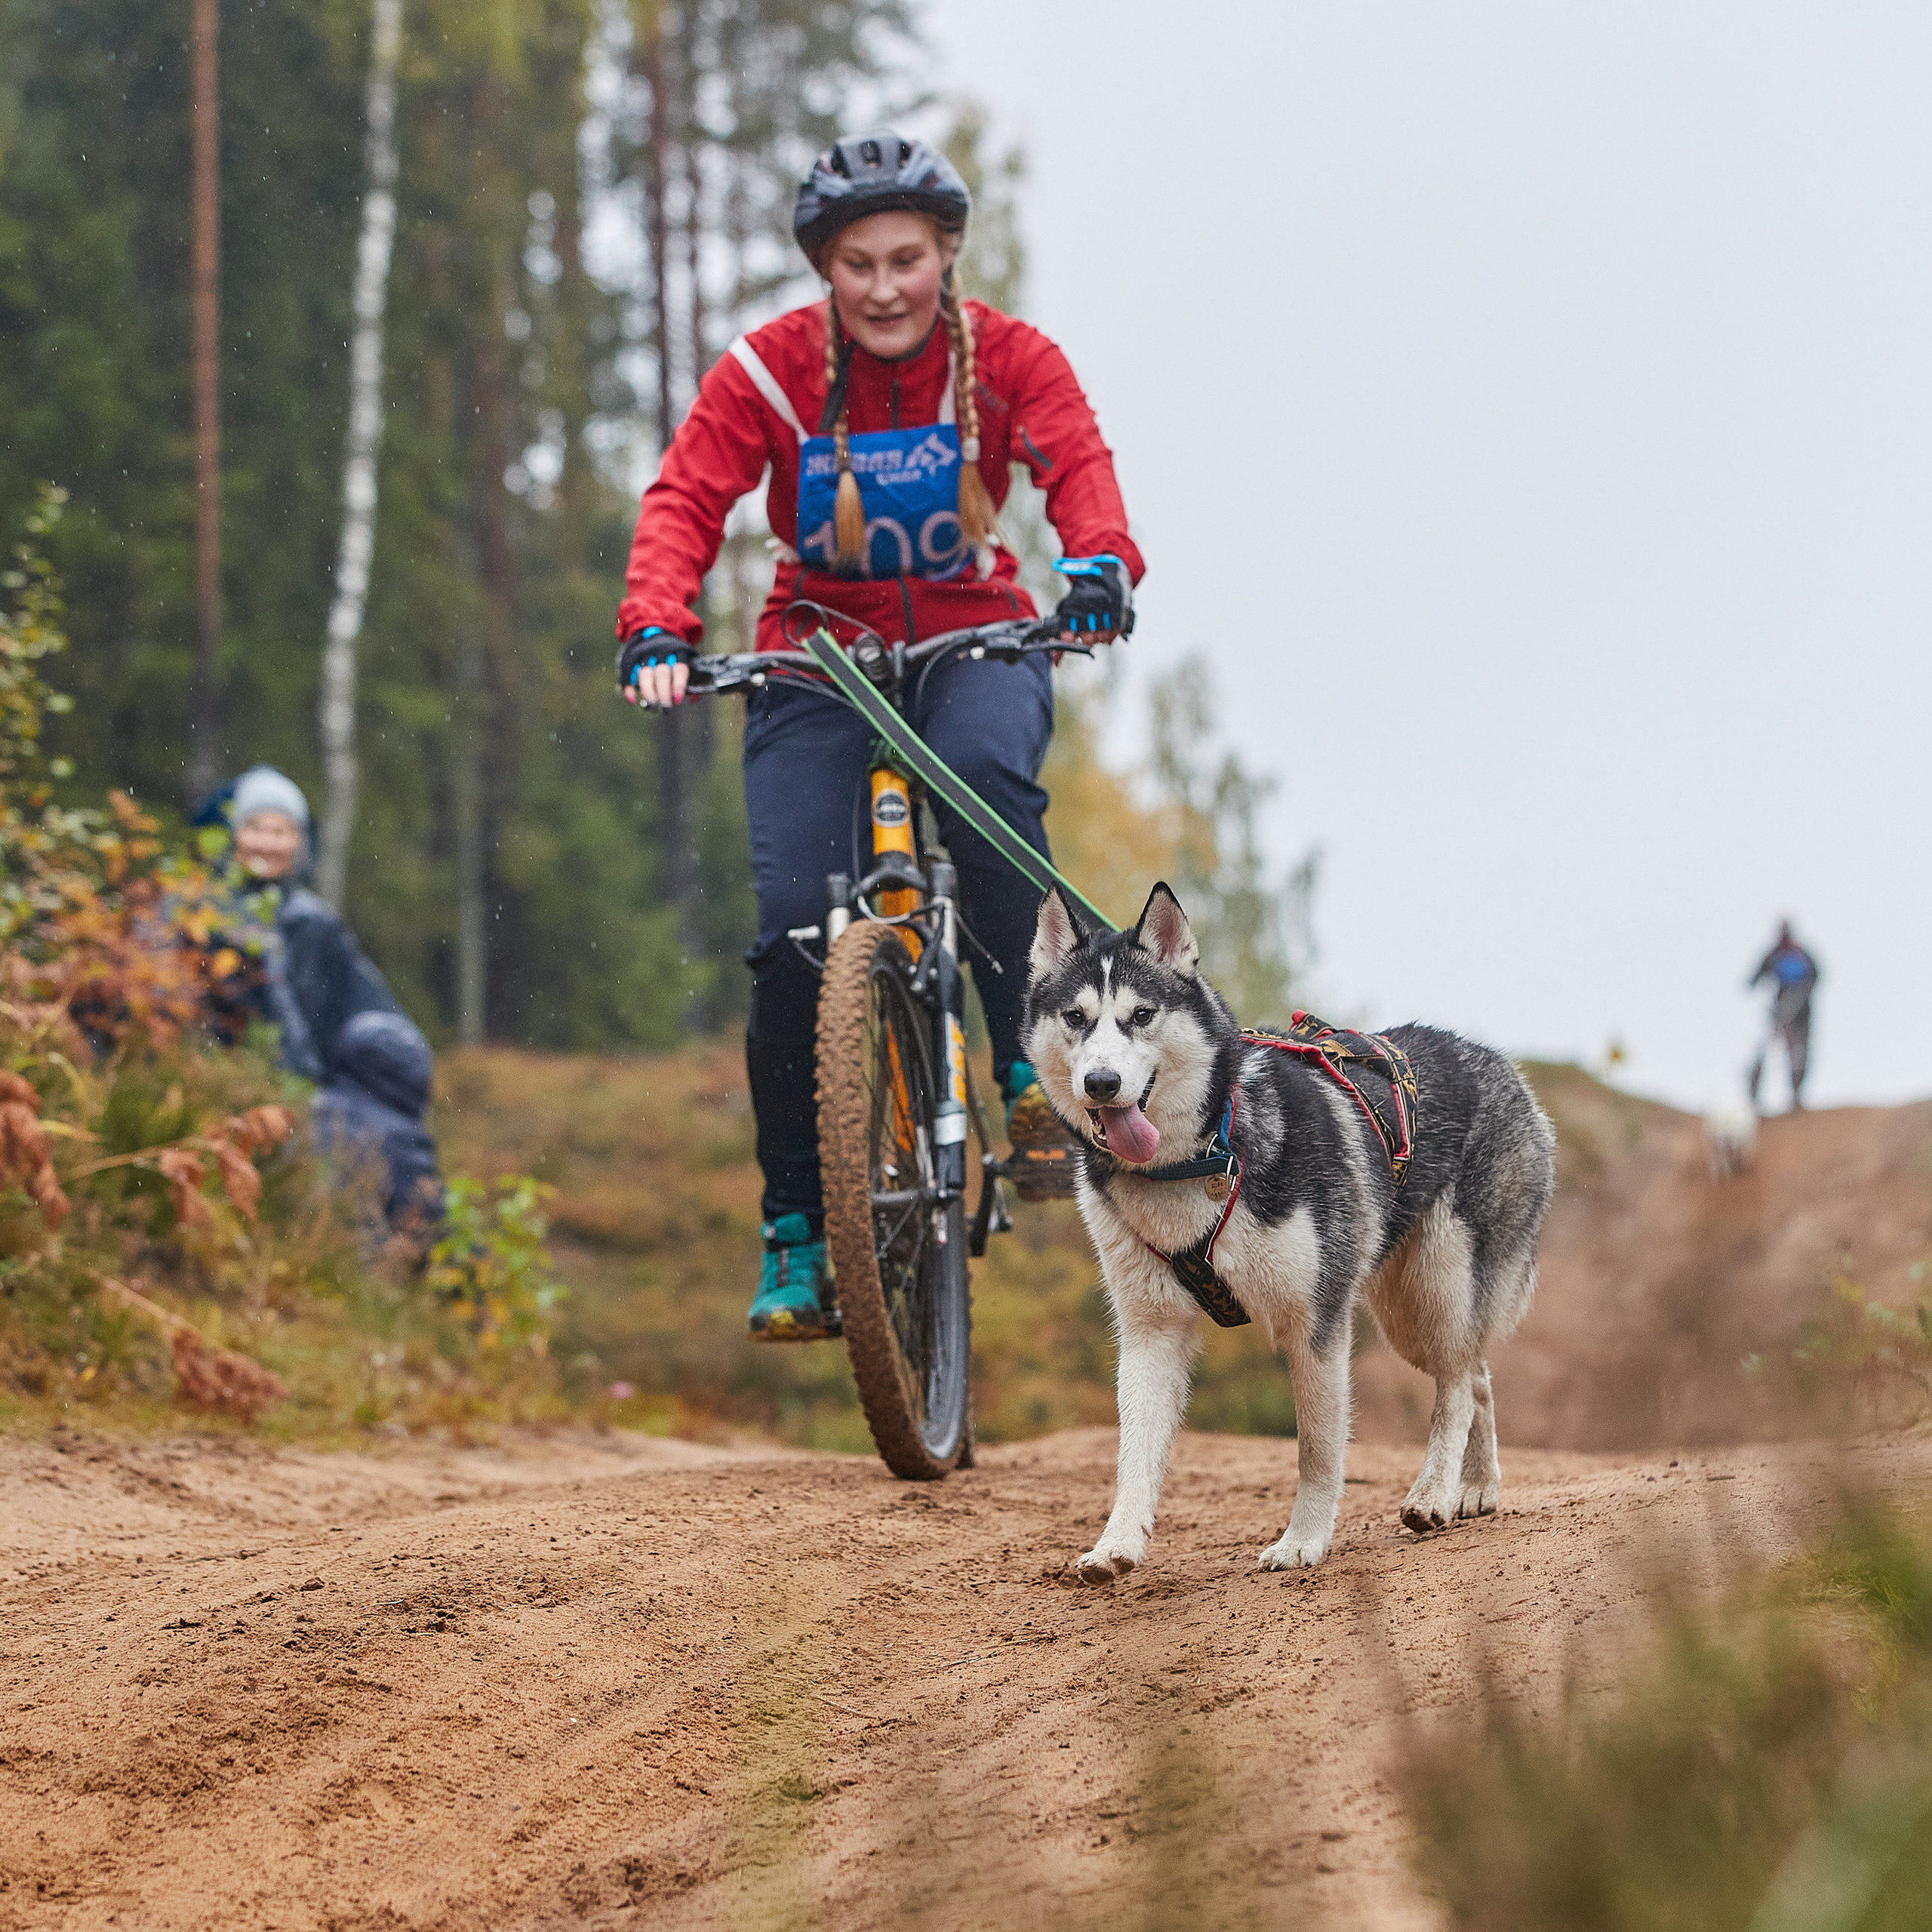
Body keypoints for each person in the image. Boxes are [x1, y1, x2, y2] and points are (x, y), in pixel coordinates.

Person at [615, 130, 1143, 1343]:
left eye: (907, 258)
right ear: (826, 272)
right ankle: (797, 1229)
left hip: (976, 640)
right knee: (794, 928)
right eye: (858, 264)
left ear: (947, 255)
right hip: (817, 655)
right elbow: (686, 498)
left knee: (982, 784)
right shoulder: (769, 372)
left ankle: (1028, 1071)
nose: (886, 287)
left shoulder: (1010, 361)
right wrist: (655, 625)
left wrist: (1101, 566)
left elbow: (1079, 471)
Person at [189, 765, 403, 1083]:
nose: (267, 843)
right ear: (235, 834)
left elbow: (362, 1008)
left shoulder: (315, 924)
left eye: (280, 832)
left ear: (298, 842)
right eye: (256, 828)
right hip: (211, 1085)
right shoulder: (198, 915)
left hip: (306, 1097)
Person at [311, 1010, 445, 1252]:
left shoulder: (315, 1108)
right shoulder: (401, 1140)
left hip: (300, 1259)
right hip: (358, 1274)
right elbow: (432, 1228)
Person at [1747, 920, 1820, 1112]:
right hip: (1779, 1011)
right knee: (1765, 1049)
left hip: (1802, 1014)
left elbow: (1817, 977)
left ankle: (1796, 1095)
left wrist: (1802, 995)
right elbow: (1754, 977)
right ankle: (1753, 1095)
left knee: (1798, 1054)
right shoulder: (1773, 956)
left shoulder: (1803, 956)